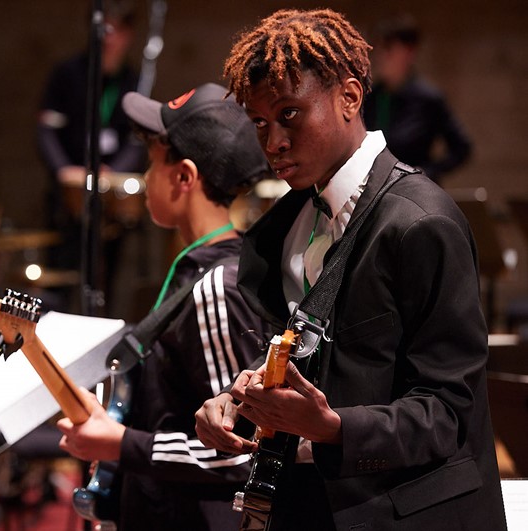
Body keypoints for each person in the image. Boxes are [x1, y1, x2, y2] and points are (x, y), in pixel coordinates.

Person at [194, 8, 507, 531]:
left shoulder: (422, 223)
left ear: (350, 97)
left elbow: (449, 413)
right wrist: (237, 398)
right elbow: (312, 360)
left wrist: (334, 427)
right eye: (261, 124)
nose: (273, 143)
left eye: (290, 114)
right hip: (310, 505)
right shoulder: (286, 223)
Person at [56, 82, 274, 530]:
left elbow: (243, 450)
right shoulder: (201, 271)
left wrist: (123, 444)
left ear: (183, 178)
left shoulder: (219, 286)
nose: (145, 178)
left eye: (152, 163)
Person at [36, 0, 147, 300]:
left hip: (111, 190)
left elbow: (137, 139)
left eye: (117, 30)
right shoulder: (68, 73)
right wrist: (63, 170)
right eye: (104, 29)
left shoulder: (136, 81)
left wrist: (114, 170)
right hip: (69, 187)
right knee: (61, 269)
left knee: (107, 275)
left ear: (129, 35)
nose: (109, 37)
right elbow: (47, 130)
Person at [363, 13, 472, 185]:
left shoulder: (427, 98)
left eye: (389, 48)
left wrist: (427, 172)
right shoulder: (370, 96)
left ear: (409, 52)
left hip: (414, 191)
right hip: (374, 189)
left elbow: (462, 148)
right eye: (377, 48)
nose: (380, 56)